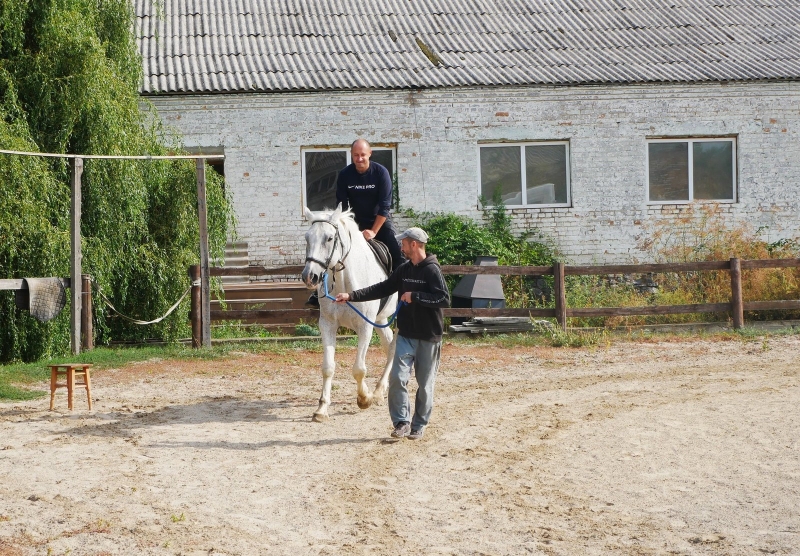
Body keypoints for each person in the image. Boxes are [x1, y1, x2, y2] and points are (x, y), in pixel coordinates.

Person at [334, 227, 450, 440]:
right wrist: (350, 295)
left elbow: (443, 299)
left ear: (414, 244)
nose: (401, 247)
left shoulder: (432, 270)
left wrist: (414, 296)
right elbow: (382, 288)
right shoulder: (404, 270)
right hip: (405, 334)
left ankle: (418, 425)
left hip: (428, 336)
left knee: (424, 385)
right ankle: (401, 423)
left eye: (403, 243)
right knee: (397, 378)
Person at [306, 138, 403, 307]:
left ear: (370, 154)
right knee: (331, 249)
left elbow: (385, 207)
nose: (359, 159)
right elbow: (341, 206)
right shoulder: (345, 174)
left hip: (378, 222)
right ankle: (319, 290)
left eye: (363, 155)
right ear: (351, 155)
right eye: (356, 155)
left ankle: (402, 289)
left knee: (398, 252)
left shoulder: (381, 173)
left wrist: (373, 231)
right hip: (354, 223)